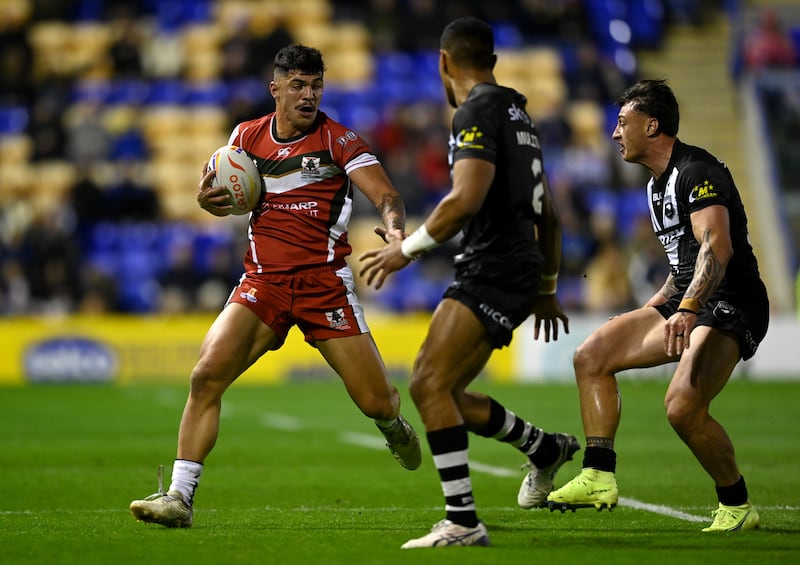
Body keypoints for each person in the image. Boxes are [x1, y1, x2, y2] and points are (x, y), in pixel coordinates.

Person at [130, 45, 421, 528]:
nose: (309, 95)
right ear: (277, 89)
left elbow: (386, 193)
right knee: (206, 375)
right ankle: (179, 498)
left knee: (376, 401)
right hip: (262, 283)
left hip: (323, 284)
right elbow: (226, 198)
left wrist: (394, 228)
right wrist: (212, 203)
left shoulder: (339, 142)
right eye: (298, 85)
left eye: (316, 86)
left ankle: (392, 423)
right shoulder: (245, 136)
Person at [359, 17, 575, 548]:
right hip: (518, 266)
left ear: (444, 62)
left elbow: (464, 199)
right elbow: (550, 215)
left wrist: (402, 251)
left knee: (427, 383)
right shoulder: (519, 114)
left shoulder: (475, 111)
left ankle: (462, 520)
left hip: (494, 266)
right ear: (494, 61)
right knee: (448, 390)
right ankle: (545, 449)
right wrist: (546, 286)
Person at [546, 79, 769, 533]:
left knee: (682, 407)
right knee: (592, 355)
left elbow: (717, 248)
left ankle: (737, 504)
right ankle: (598, 473)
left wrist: (686, 307)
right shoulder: (655, 187)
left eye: (622, 122)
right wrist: (656, 305)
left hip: (730, 301)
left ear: (651, 125)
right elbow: (683, 260)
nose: (614, 133)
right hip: (687, 299)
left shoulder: (697, 171)